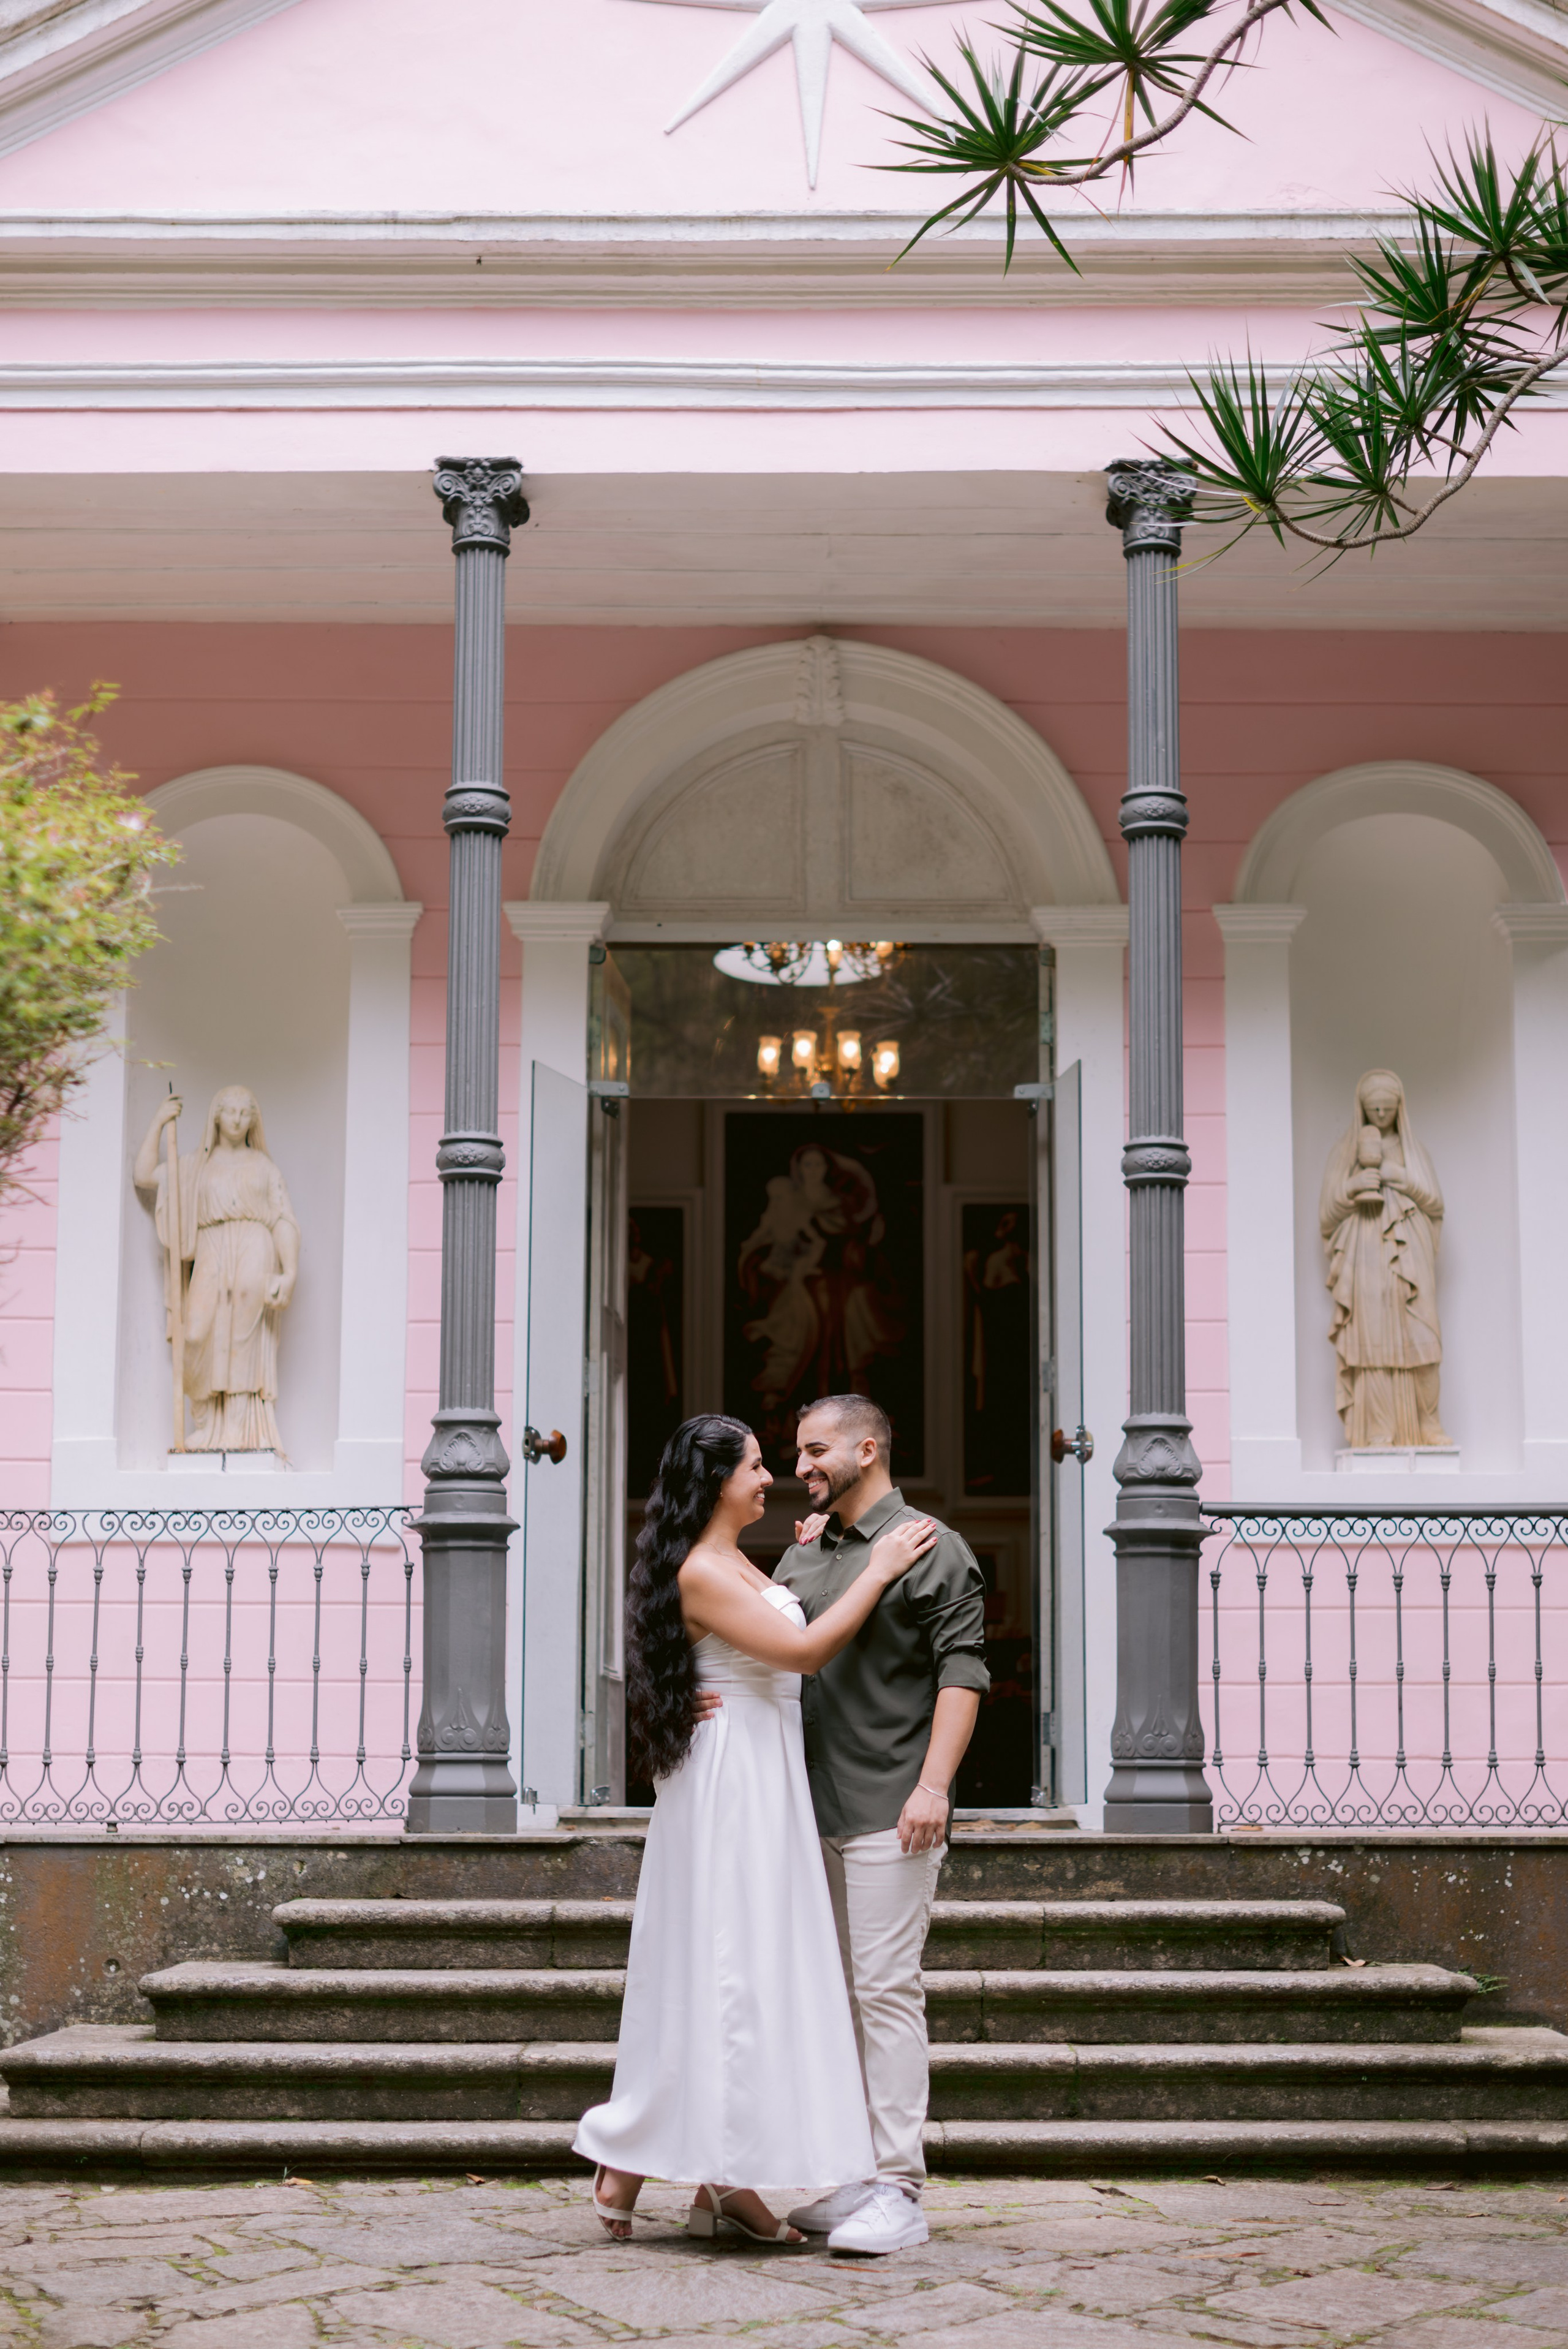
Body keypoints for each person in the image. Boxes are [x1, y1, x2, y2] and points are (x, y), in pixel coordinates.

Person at [574, 1413, 937, 2244]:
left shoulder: (734, 1558)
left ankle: (726, 2173)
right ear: (716, 1482)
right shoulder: (702, 1569)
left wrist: (816, 1551)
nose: (769, 1476)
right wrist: (877, 1567)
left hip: (765, 1769)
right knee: (729, 1962)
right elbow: (803, 1651)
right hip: (733, 1782)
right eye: (755, 1465)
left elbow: (774, 1617)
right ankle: (639, 2157)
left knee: (752, 1965)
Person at [775, 1395, 989, 2256]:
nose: (803, 1465)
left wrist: (934, 1786)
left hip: (887, 1810)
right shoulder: (803, 1553)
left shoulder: (936, 1547)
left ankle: (899, 2185)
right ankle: (844, 2175)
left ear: (871, 1446)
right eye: (795, 1452)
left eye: (817, 1449)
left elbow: (962, 1672)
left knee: (885, 1990)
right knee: (822, 2000)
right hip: (801, 1813)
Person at [132, 1085, 300, 1454]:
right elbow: (144, 1176)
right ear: (217, 1116)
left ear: (253, 1119)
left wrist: (288, 1272)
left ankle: (240, 1432)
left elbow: (283, 1220)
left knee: (243, 1339)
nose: (237, 1119)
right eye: (231, 1111)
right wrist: (159, 1122)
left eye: (245, 1112)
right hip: (211, 1250)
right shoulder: (194, 1165)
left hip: (255, 1248)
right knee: (195, 1333)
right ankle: (207, 1426)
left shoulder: (264, 1167)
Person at [1319, 1068, 1450, 1449]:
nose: (1380, 1115)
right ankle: (1379, 1430)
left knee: (1423, 1337)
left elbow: (1436, 1202)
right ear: (1361, 1108)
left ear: (1399, 1109)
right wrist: (1352, 1187)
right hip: (1366, 1254)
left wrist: (1399, 1177)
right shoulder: (1345, 1154)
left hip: (1412, 1252)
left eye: (1387, 1108)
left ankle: (1429, 1424)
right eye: (1373, 1108)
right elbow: (1326, 1215)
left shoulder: (1414, 1152)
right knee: (1372, 1341)